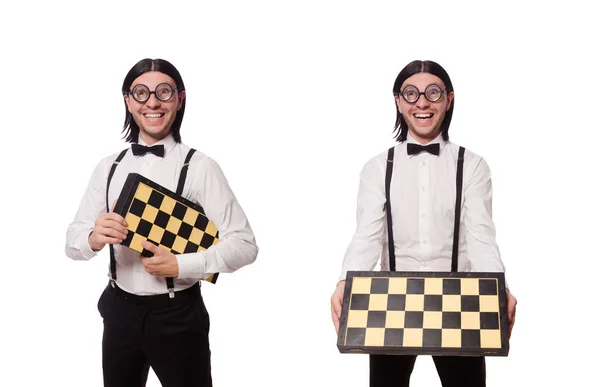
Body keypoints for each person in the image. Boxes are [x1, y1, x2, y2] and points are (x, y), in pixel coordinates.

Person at [65, 58, 258, 387]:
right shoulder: (108, 167)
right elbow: (73, 242)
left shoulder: (199, 167)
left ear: (180, 99)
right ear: (128, 100)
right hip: (118, 310)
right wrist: (94, 238)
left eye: (163, 92)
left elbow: (244, 245)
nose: (152, 102)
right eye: (141, 93)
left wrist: (182, 265)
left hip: (177, 316)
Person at [330, 60, 517, 387]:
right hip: (391, 298)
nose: (422, 102)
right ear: (398, 102)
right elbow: (366, 236)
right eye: (411, 94)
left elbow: (481, 237)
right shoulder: (377, 168)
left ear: (448, 99)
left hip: (460, 297)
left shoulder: (471, 166)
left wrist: (497, 285)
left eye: (433, 93)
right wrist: (345, 282)